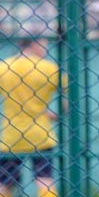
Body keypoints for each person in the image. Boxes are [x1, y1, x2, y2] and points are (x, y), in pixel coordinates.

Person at [0, 37, 67, 197]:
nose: (45, 50)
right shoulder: (48, 68)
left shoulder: (4, 67)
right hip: (40, 133)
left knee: (4, 183)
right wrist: (58, 114)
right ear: (34, 44)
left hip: (11, 134)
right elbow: (69, 93)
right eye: (44, 45)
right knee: (45, 179)